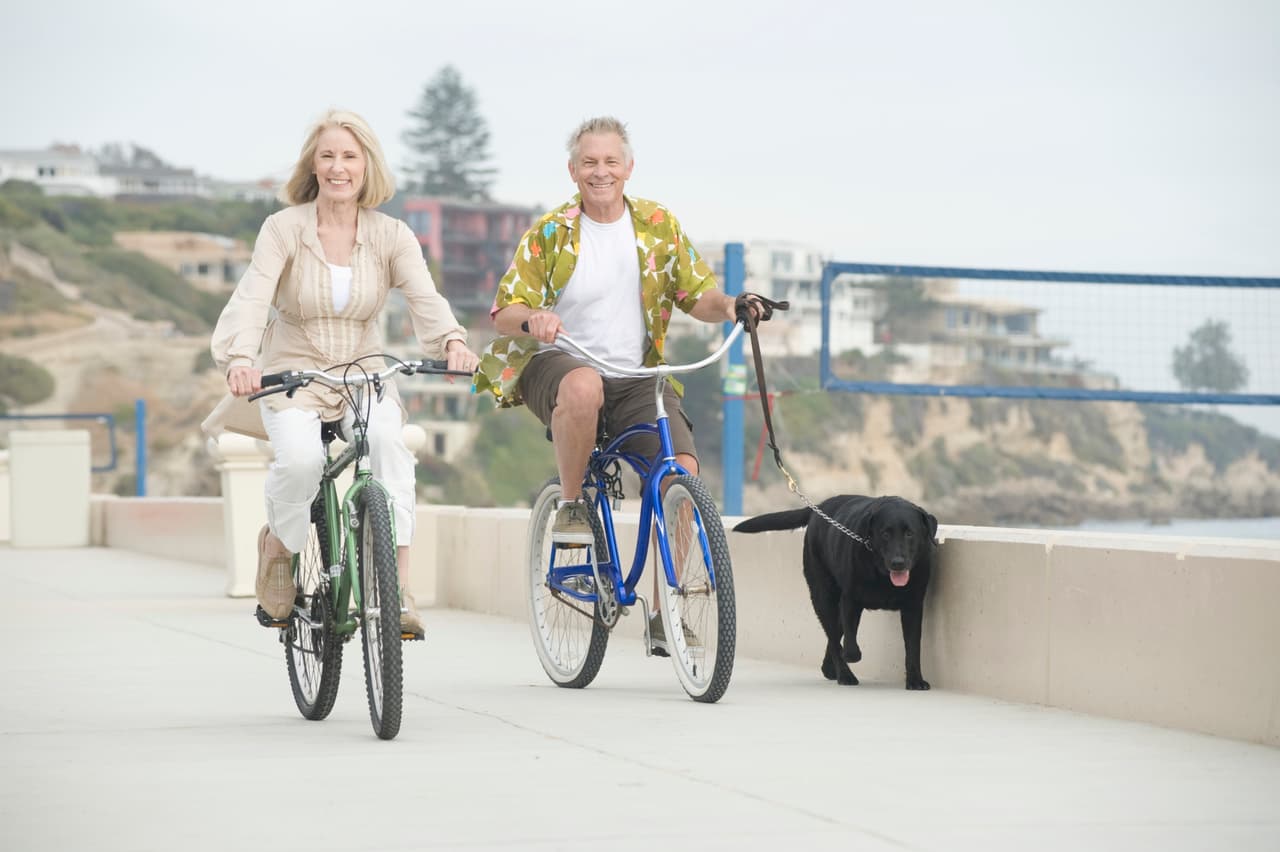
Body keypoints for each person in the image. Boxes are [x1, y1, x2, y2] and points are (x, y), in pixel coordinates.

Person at [474, 115, 761, 652]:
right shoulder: (552, 232)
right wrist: (532, 318)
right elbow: (503, 310)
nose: (600, 172)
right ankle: (574, 504)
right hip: (558, 362)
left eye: (610, 162)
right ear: (572, 170)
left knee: (682, 471)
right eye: (589, 162)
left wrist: (732, 306)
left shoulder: (657, 224)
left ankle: (666, 607)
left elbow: (697, 294)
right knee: (583, 387)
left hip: (636, 375)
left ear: (628, 168)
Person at [204, 109, 480, 635]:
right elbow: (254, 296)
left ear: (366, 166)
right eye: (327, 155)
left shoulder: (391, 235)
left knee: (389, 447)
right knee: (304, 461)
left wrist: (452, 341)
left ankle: (396, 590)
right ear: (313, 164)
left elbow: (425, 296)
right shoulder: (283, 229)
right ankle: (279, 548)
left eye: (349, 156)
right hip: (291, 376)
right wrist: (243, 359)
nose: (338, 167)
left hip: (363, 373)